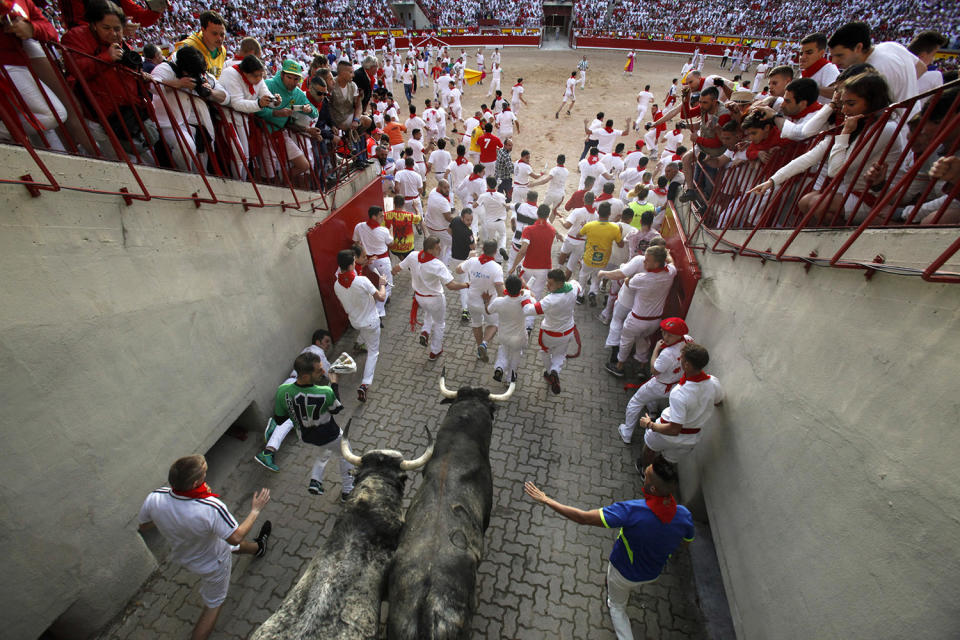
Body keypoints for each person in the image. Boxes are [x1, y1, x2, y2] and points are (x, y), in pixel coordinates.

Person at [523, 458, 694, 640]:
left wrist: (546, 499)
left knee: (617, 607)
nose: (644, 476)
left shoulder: (630, 511)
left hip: (623, 573)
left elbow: (584, 518)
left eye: (646, 476)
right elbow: (685, 543)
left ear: (652, 489)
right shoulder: (685, 515)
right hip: (653, 572)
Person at [138, 456, 272, 640]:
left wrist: (170, 518)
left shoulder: (155, 497)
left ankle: (258, 548)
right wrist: (255, 510)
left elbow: (144, 526)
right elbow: (236, 537)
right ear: (195, 483)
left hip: (186, 554)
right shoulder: (211, 507)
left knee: (229, 545)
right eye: (204, 473)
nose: (205, 474)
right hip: (213, 562)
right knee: (213, 605)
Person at [266, 351, 354, 499]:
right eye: (319, 370)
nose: (323, 371)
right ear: (306, 376)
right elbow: (337, 409)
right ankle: (348, 491)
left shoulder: (282, 391)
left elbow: (280, 420)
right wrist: (334, 383)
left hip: (305, 436)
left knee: (326, 449)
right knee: (346, 454)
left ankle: (316, 480)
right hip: (329, 434)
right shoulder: (325, 392)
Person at [636, 343, 724, 468]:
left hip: (666, 434)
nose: (679, 359)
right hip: (691, 439)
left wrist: (649, 424)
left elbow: (674, 429)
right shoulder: (714, 382)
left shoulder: (679, 392)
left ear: (687, 364)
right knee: (668, 461)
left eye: (681, 358)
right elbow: (718, 402)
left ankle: (644, 470)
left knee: (650, 449)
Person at [616, 317, 692, 444]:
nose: (665, 337)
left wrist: (656, 349)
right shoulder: (688, 340)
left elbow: (654, 370)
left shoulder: (667, 353)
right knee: (652, 397)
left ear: (679, 335)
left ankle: (627, 433)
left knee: (635, 402)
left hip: (659, 384)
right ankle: (652, 411)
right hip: (675, 384)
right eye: (664, 332)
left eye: (670, 335)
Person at [393, 236, 469, 360]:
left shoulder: (413, 256)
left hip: (420, 297)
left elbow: (397, 268)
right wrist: (466, 285)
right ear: (429, 250)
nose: (440, 249)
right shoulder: (437, 265)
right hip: (435, 299)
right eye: (437, 248)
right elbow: (451, 285)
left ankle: (425, 331)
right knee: (439, 323)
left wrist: (389, 274)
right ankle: (435, 350)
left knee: (428, 312)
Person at [607, 245, 676, 377]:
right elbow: (672, 262)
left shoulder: (641, 278)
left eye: (647, 260)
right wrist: (667, 254)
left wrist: (628, 276)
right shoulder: (671, 273)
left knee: (626, 341)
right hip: (655, 321)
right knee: (643, 340)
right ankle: (641, 366)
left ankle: (619, 366)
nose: (644, 262)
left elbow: (628, 282)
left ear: (656, 263)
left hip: (637, 319)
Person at [333, 248, 386, 402]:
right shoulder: (362, 281)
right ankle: (365, 384)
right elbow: (381, 297)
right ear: (353, 263)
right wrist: (381, 284)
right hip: (370, 322)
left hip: (355, 321)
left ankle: (358, 343)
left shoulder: (337, 285)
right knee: (373, 352)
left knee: (364, 332)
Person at [523, 268, 581, 394]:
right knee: (560, 354)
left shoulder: (550, 300)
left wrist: (526, 295)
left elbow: (528, 310)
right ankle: (555, 370)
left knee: (544, 352)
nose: (547, 285)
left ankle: (550, 372)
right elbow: (577, 284)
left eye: (550, 284)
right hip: (567, 332)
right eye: (547, 282)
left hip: (549, 334)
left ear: (560, 284)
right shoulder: (573, 288)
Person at [456, 240, 505, 362]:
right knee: (494, 324)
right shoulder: (497, 268)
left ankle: (479, 350)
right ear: (495, 252)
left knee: (476, 324)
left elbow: (458, 270)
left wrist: (469, 258)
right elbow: (500, 291)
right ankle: (484, 343)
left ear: (483, 249)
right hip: (488, 304)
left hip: (472, 300)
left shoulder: (472, 261)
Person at [484, 274, 530, 384]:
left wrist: (486, 301)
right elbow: (530, 297)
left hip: (503, 335)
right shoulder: (524, 301)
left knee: (503, 350)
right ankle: (510, 378)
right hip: (518, 337)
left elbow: (488, 311)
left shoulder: (499, 301)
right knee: (516, 354)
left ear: (506, 288)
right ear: (519, 288)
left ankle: (499, 367)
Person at [578, 201, 623, 306]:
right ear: (609, 214)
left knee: (583, 276)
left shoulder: (589, 225)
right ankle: (593, 292)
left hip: (588, 258)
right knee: (596, 277)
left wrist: (584, 227)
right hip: (603, 260)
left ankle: (580, 295)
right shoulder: (615, 228)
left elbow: (579, 235)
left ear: (598, 212)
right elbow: (620, 245)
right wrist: (620, 232)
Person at [352, 206, 394, 315]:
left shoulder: (359, 226)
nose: (383, 218)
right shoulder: (384, 230)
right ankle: (378, 312)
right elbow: (391, 243)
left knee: (381, 283)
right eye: (381, 216)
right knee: (386, 285)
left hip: (370, 262)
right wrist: (391, 232)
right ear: (373, 216)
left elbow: (356, 243)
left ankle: (383, 302)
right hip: (383, 261)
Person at [175, 10, 227, 79]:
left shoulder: (222, 50)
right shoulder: (187, 46)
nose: (219, 38)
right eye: (214, 34)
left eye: (222, 34)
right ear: (203, 30)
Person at [448, 207, 476, 322]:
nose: (470, 222)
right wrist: (475, 239)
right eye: (468, 220)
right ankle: (465, 309)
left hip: (454, 257)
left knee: (463, 280)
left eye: (471, 220)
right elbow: (473, 247)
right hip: (463, 260)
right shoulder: (468, 232)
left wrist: (456, 238)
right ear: (463, 217)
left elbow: (448, 230)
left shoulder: (454, 221)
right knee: (464, 285)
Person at [424, 178, 454, 262]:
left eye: (448, 187)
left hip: (430, 225)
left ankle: (438, 262)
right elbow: (448, 218)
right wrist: (459, 221)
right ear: (439, 187)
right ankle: (445, 264)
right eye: (445, 188)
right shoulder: (443, 201)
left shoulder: (433, 191)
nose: (447, 190)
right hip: (439, 229)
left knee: (440, 247)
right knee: (454, 244)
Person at [530, 154, 570, 220]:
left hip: (551, 193)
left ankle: (539, 224)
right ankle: (549, 226)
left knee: (543, 209)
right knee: (554, 211)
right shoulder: (566, 171)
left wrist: (534, 184)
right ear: (564, 161)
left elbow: (545, 180)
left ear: (557, 160)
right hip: (560, 194)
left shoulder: (554, 170)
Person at [384, 194, 421, 261]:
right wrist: (416, 207)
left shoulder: (385, 215)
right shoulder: (409, 216)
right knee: (411, 262)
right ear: (403, 204)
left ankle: (403, 260)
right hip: (408, 247)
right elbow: (419, 218)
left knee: (399, 254)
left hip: (393, 248)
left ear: (394, 203)